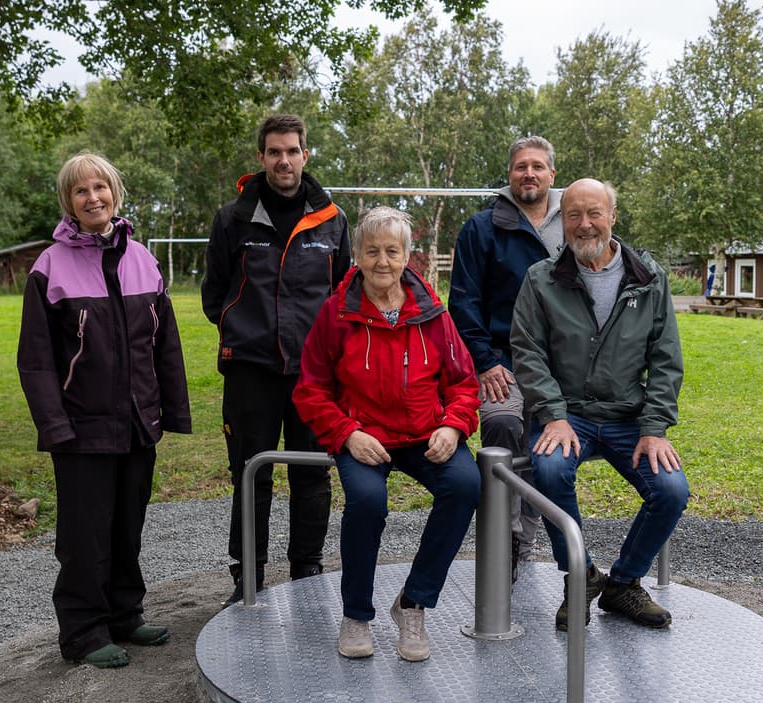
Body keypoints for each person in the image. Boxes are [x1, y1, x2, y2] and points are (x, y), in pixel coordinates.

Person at [18, 152, 192, 668]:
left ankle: (124, 614)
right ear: (68, 202)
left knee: (126, 525)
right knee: (84, 534)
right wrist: (54, 425)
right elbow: (36, 360)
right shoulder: (50, 267)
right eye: (81, 190)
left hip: (137, 423)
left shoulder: (142, 259)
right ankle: (83, 632)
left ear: (114, 193)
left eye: (101, 187)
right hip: (80, 427)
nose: (93, 197)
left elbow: (167, 345)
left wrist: (170, 412)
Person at [293, 207, 481, 662]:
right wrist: (346, 433)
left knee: (465, 485)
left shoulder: (431, 313)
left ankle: (413, 603)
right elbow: (310, 389)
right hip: (363, 436)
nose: (382, 261)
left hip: (424, 433)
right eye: (372, 251)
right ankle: (356, 614)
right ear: (357, 255)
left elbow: (463, 382)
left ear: (406, 256)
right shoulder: (337, 313)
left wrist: (453, 425)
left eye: (392, 251)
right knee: (367, 502)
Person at [510, 178, 690, 632]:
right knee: (549, 469)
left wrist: (654, 428)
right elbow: (528, 353)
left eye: (594, 213)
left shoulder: (648, 279)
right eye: (573, 215)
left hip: (628, 415)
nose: (584, 224)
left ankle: (623, 583)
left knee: (671, 491)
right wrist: (553, 415)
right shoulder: (542, 279)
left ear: (612, 216)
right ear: (562, 221)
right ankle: (582, 576)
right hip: (567, 413)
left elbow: (666, 359)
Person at [201, 114, 351, 607]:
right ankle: (249, 577)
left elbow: (343, 294)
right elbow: (214, 294)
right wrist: (243, 332)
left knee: (312, 472)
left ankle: (308, 572)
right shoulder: (233, 219)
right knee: (251, 474)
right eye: (274, 152)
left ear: (305, 155)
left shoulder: (332, 220)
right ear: (261, 157)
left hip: (314, 374)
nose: (283, 160)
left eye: (291, 151)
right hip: (251, 370)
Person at [449, 136, 562, 577]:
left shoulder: (573, 224)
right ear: (509, 174)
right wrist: (485, 361)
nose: (528, 174)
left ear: (552, 174)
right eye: (520, 166)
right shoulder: (482, 229)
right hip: (502, 360)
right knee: (501, 423)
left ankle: (523, 541)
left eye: (537, 166)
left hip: (560, 366)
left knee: (544, 446)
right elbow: (464, 302)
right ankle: (505, 539)